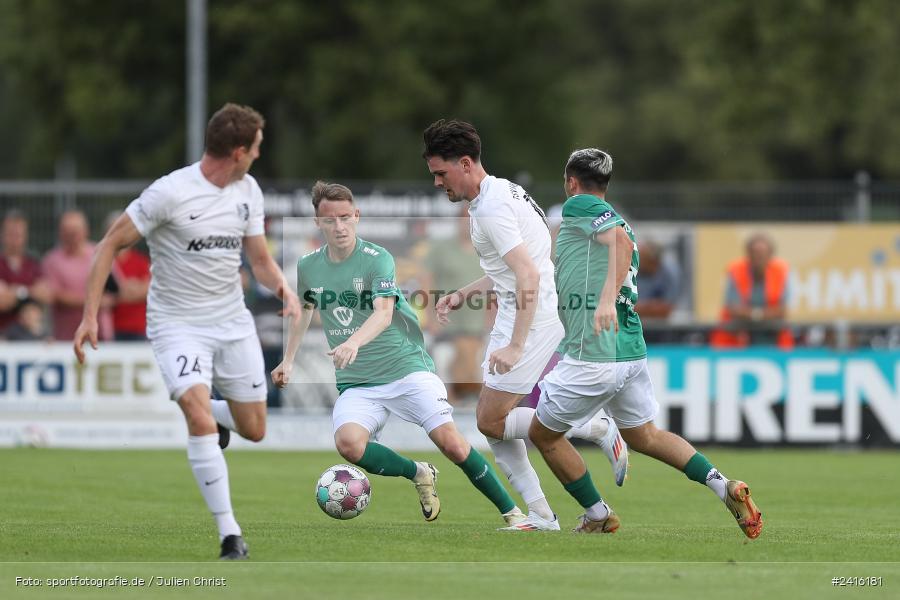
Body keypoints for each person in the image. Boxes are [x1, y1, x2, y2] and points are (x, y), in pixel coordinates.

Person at [73, 103, 301, 560]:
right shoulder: (169, 193)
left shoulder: (248, 191)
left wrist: (282, 287)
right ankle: (230, 534)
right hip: (177, 325)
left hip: (231, 322)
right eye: (255, 149)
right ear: (238, 151)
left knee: (255, 429)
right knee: (195, 418)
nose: (258, 156)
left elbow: (257, 258)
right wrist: (90, 315)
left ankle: (217, 412)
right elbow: (108, 245)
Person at [528, 148, 763, 538]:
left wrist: (604, 299)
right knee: (645, 436)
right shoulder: (617, 217)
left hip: (595, 350)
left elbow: (617, 244)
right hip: (628, 350)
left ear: (571, 182)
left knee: (543, 434)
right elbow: (618, 243)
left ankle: (598, 513)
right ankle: (724, 485)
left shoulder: (579, 207)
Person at [271, 181, 522, 527]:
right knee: (348, 444)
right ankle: (418, 472)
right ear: (318, 224)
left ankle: (514, 514)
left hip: (406, 369)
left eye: (346, 217)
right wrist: (288, 360)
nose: (339, 227)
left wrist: (353, 342)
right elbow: (304, 311)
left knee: (452, 444)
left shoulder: (377, 259)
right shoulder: (309, 266)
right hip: (358, 382)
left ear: (356, 216)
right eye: (330, 221)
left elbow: (384, 313)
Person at [422, 119, 627, 532]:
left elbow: (528, 275)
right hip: (529, 310)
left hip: (531, 316)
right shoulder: (499, 192)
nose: (437, 182)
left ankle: (595, 427)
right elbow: (524, 260)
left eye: (440, 174)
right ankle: (542, 515)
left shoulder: (493, 206)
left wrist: (516, 344)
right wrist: (464, 292)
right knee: (494, 426)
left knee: (488, 420)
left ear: (464, 163)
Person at [422, 210, 485, 404]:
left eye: (472, 220)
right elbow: (426, 281)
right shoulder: (441, 248)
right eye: (464, 220)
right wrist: (430, 317)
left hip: (479, 326)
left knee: (477, 369)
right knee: (446, 371)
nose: (467, 224)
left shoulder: (486, 249)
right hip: (447, 326)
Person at [710, 233, 793, 348]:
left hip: (772, 338)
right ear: (748, 254)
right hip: (736, 338)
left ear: (770, 255)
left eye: (762, 253)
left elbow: (782, 310)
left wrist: (753, 314)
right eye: (755, 253)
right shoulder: (736, 270)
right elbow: (733, 308)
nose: (758, 257)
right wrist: (762, 314)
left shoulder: (781, 271)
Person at [43, 210, 113, 340]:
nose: (72, 235)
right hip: (66, 336)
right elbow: (55, 295)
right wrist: (94, 302)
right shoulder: (52, 260)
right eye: (68, 231)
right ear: (60, 233)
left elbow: (116, 288)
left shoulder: (99, 253)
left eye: (76, 230)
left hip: (101, 335)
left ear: (86, 230)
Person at [0, 210, 52, 331]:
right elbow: (2, 301)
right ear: (3, 235)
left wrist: (16, 292)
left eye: (18, 234)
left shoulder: (33, 263)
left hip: (29, 337)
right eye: (11, 234)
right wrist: (30, 293)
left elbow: (45, 295)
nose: (15, 239)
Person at [103, 211, 151, 341]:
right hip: (110, 331)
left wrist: (116, 294)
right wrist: (129, 290)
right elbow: (101, 298)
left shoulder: (141, 261)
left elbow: (148, 291)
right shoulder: (103, 262)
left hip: (139, 329)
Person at [634, 240, 678, 320]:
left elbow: (666, 309)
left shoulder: (669, 273)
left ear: (653, 261)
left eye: (641, 259)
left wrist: (639, 307)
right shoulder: (632, 270)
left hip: (662, 326)